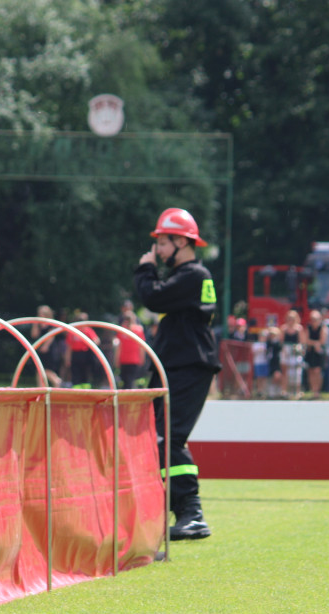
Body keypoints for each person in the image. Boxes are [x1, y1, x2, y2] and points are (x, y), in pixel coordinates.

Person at [134, 207, 221, 541]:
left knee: (169, 437)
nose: (157, 250)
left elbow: (152, 297)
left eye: (162, 243)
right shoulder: (188, 278)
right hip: (177, 367)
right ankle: (175, 509)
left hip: (188, 367)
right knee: (161, 438)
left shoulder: (194, 275)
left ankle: (192, 513)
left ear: (182, 242)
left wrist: (144, 270)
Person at [116, 311, 147, 389]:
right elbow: (142, 347)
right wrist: (142, 358)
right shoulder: (138, 330)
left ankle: (127, 399)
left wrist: (116, 359)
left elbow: (118, 347)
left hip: (125, 360)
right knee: (130, 381)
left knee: (126, 382)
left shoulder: (122, 330)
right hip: (134, 360)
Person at [304, 309, 329, 397]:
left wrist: (313, 343)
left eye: (315, 319)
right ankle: (313, 390)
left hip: (319, 353)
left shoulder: (323, 328)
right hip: (311, 352)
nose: (313, 321)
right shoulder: (309, 328)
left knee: (317, 371)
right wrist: (315, 343)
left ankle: (317, 391)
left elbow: (322, 341)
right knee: (311, 371)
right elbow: (306, 340)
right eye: (312, 319)